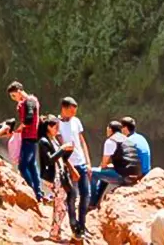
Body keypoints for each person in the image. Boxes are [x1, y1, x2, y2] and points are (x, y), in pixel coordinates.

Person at [57, 97, 92, 238]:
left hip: (82, 162)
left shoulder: (76, 121)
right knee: (72, 196)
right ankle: (74, 226)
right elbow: (60, 147)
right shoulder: (57, 124)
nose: (74, 114)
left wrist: (88, 162)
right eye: (71, 111)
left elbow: (82, 141)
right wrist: (69, 167)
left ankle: (82, 225)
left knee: (86, 194)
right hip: (69, 165)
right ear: (64, 109)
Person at [90, 120, 142, 208]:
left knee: (93, 172)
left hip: (124, 177)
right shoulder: (128, 140)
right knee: (104, 173)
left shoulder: (110, 141)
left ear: (110, 129)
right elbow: (127, 160)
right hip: (135, 176)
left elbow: (103, 164)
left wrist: (106, 166)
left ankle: (92, 202)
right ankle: (96, 201)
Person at [38, 117, 73, 241]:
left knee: (60, 205)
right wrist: (63, 149)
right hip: (52, 177)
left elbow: (61, 158)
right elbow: (50, 160)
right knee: (61, 206)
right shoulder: (43, 141)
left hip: (59, 175)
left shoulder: (53, 140)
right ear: (49, 127)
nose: (57, 130)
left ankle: (56, 231)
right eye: (55, 127)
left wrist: (68, 150)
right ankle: (54, 233)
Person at [8, 81, 43, 202]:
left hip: (28, 136)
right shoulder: (31, 101)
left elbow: (29, 119)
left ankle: (31, 190)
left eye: (13, 95)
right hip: (32, 137)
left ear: (18, 91)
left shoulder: (29, 101)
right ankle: (38, 194)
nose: (13, 98)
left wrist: (20, 128)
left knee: (22, 166)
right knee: (32, 166)